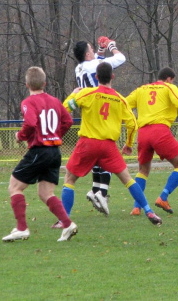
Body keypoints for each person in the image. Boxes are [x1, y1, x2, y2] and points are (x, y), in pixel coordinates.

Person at [62, 62, 162, 226]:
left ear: (96, 77)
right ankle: (149, 210)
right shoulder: (120, 99)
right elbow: (132, 124)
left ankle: (64, 219)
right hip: (108, 146)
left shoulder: (87, 94)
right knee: (128, 179)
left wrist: (72, 95)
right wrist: (129, 143)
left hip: (88, 142)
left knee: (69, 179)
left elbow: (65, 108)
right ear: (112, 77)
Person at [54, 37, 127, 228]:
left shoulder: (79, 68)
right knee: (107, 151)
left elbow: (96, 66)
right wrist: (112, 46)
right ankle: (101, 193)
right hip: (101, 105)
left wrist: (101, 52)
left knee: (98, 156)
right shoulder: (94, 64)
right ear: (87, 54)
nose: (95, 50)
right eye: (92, 49)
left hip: (88, 107)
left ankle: (97, 191)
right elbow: (120, 60)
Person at [2, 66, 77, 243]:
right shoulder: (54, 101)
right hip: (54, 152)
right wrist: (55, 134)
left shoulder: (28, 102)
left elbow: (30, 123)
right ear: (45, 83)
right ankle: (67, 224)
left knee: (14, 187)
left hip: (39, 150)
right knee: (45, 193)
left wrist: (20, 136)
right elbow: (68, 121)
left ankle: (21, 229)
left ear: (26, 84)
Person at [125, 67, 178, 216]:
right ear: (169, 79)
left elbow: (124, 104)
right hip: (159, 131)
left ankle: (137, 207)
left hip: (142, 133)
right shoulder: (168, 87)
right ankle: (163, 197)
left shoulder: (141, 89)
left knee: (143, 171)